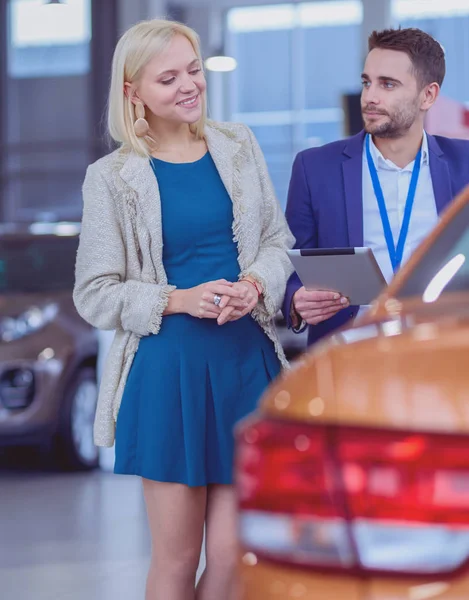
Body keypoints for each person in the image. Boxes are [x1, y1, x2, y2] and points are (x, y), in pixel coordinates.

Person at [73, 18, 294, 600]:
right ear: (133, 91)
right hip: (169, 374)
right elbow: (94, 292)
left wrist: (253, 284)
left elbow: (276, 242)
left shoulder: (238, 144)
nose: (189, 86)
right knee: (176, 563)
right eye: (168, 78)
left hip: (246, 366)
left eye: (193, 70)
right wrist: (178, 299)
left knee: (232, 559)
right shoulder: (112, 178)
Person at [283, 27, 469, 346]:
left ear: (428, 95)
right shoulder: (314, 168)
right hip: (349, 352)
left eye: (388, 84)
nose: (370, 96)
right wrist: (296, 301)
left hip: (443, 348)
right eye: (367, 82)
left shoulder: (464, 165)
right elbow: (288, 269)